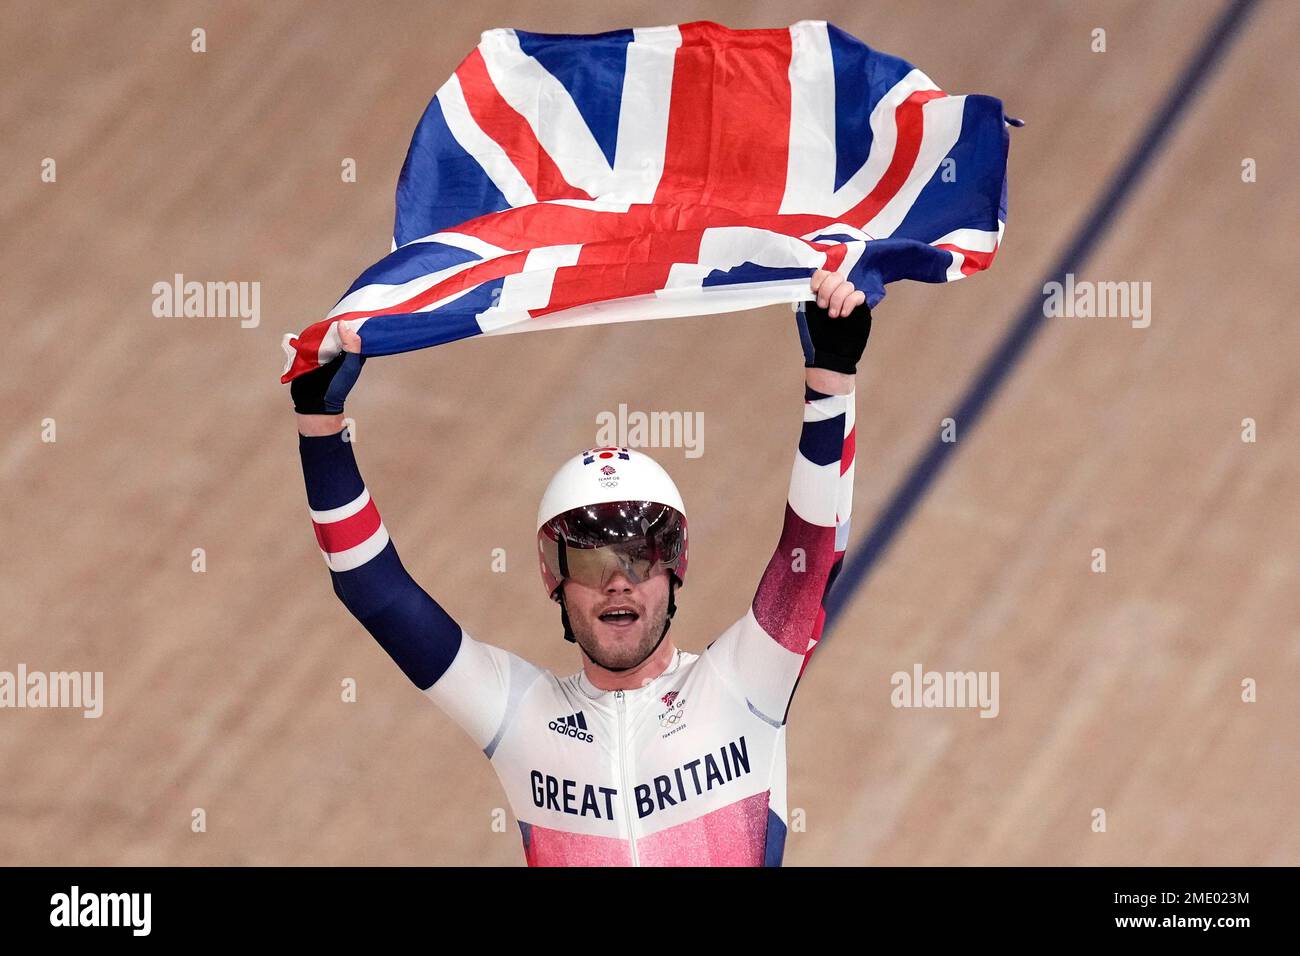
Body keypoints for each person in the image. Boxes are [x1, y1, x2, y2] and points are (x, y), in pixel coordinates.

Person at [290, 269, 869, 865]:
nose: (618, 581)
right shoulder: (520, 716)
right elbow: (374, 592)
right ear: (554, 578)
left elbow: (812, 555)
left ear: (675, 569)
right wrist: (319, 424)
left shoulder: (743, 685)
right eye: (593, 564)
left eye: (640, 558)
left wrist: (831, 381)